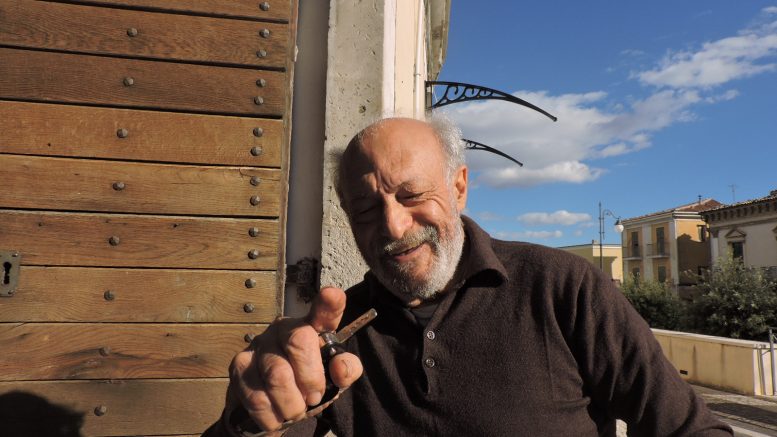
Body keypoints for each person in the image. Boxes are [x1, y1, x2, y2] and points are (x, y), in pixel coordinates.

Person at [204, 117, 732, 436]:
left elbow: (690, 429)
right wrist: (248, 418)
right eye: (365, 209)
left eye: (413, 195)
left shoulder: (563, 288)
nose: (393, 226)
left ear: (459, 188)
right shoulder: (336, 335)